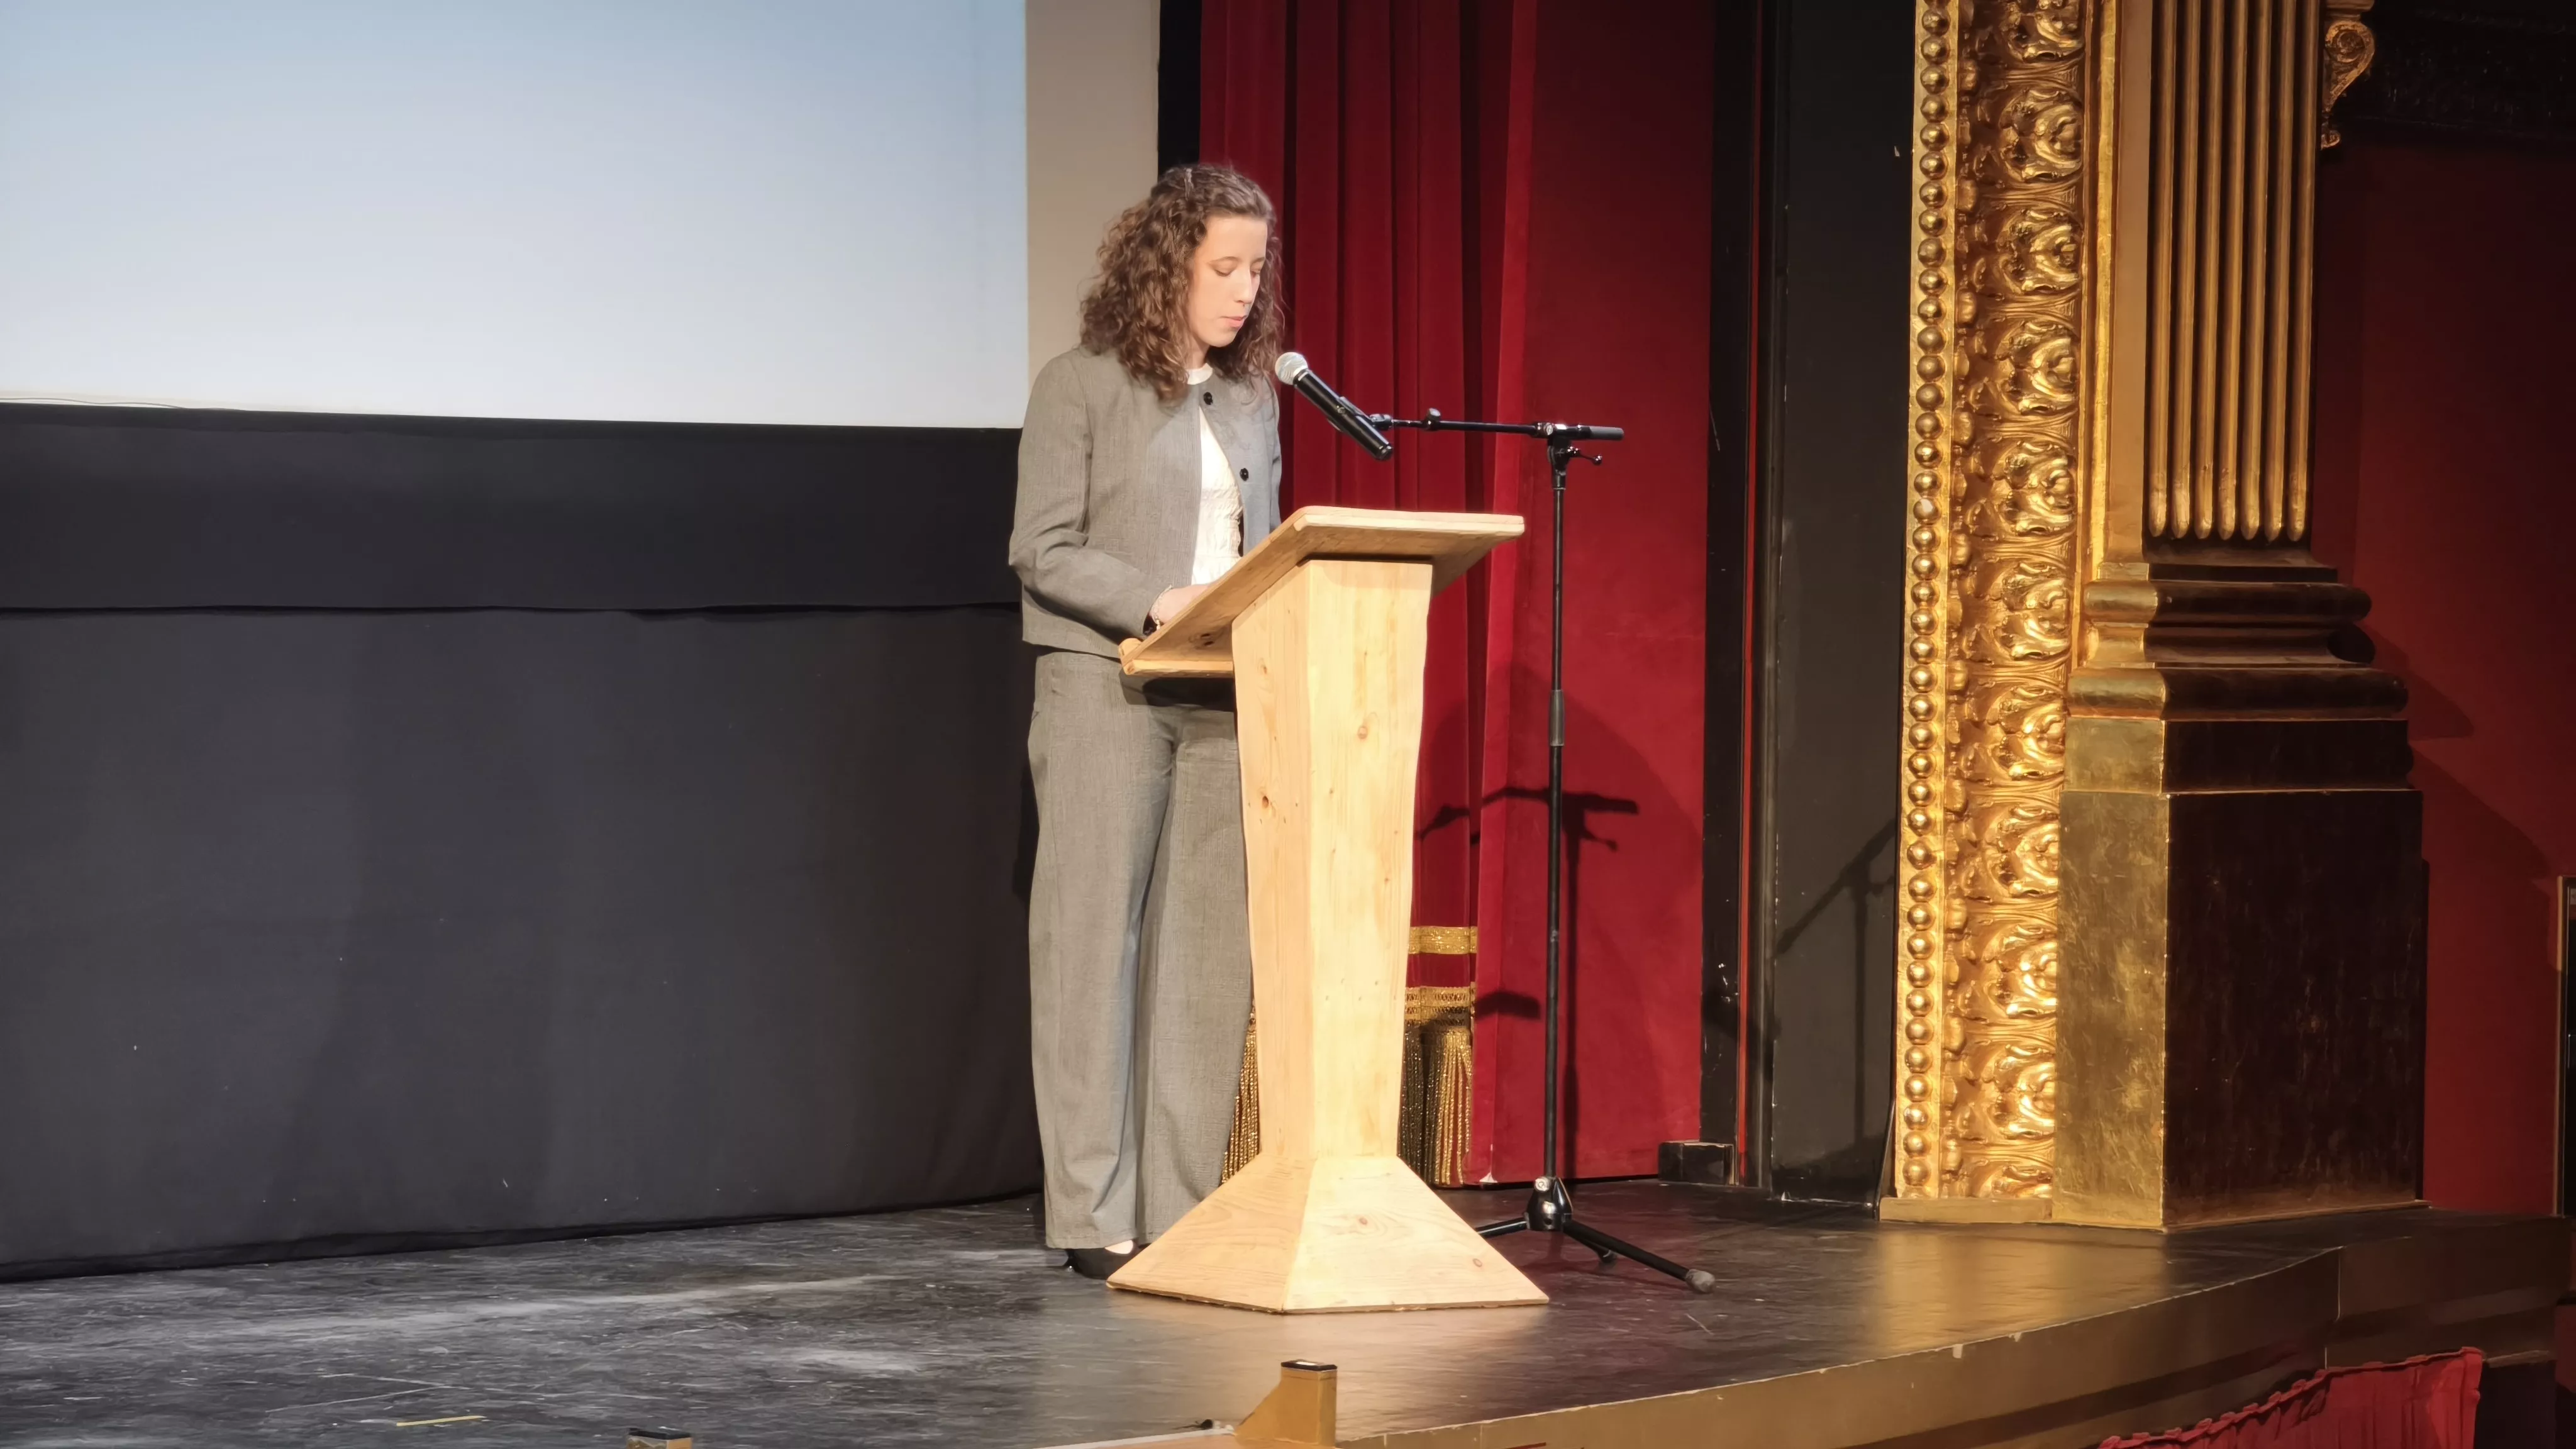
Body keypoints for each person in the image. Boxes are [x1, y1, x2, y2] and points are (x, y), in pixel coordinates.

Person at [1008, 165, 1284, 1280]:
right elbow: (1043, 545)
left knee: (1206, 962)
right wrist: (1153, 600)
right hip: (1105, 687)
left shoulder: (1257, 396)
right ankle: (1092, 1211)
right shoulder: (1078, 386)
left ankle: (1183, 1206)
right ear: (1166, 264)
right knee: (1090, 952)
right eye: (1223, 267)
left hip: (1223, 698)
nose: (1242, 290)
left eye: (1256, 269)